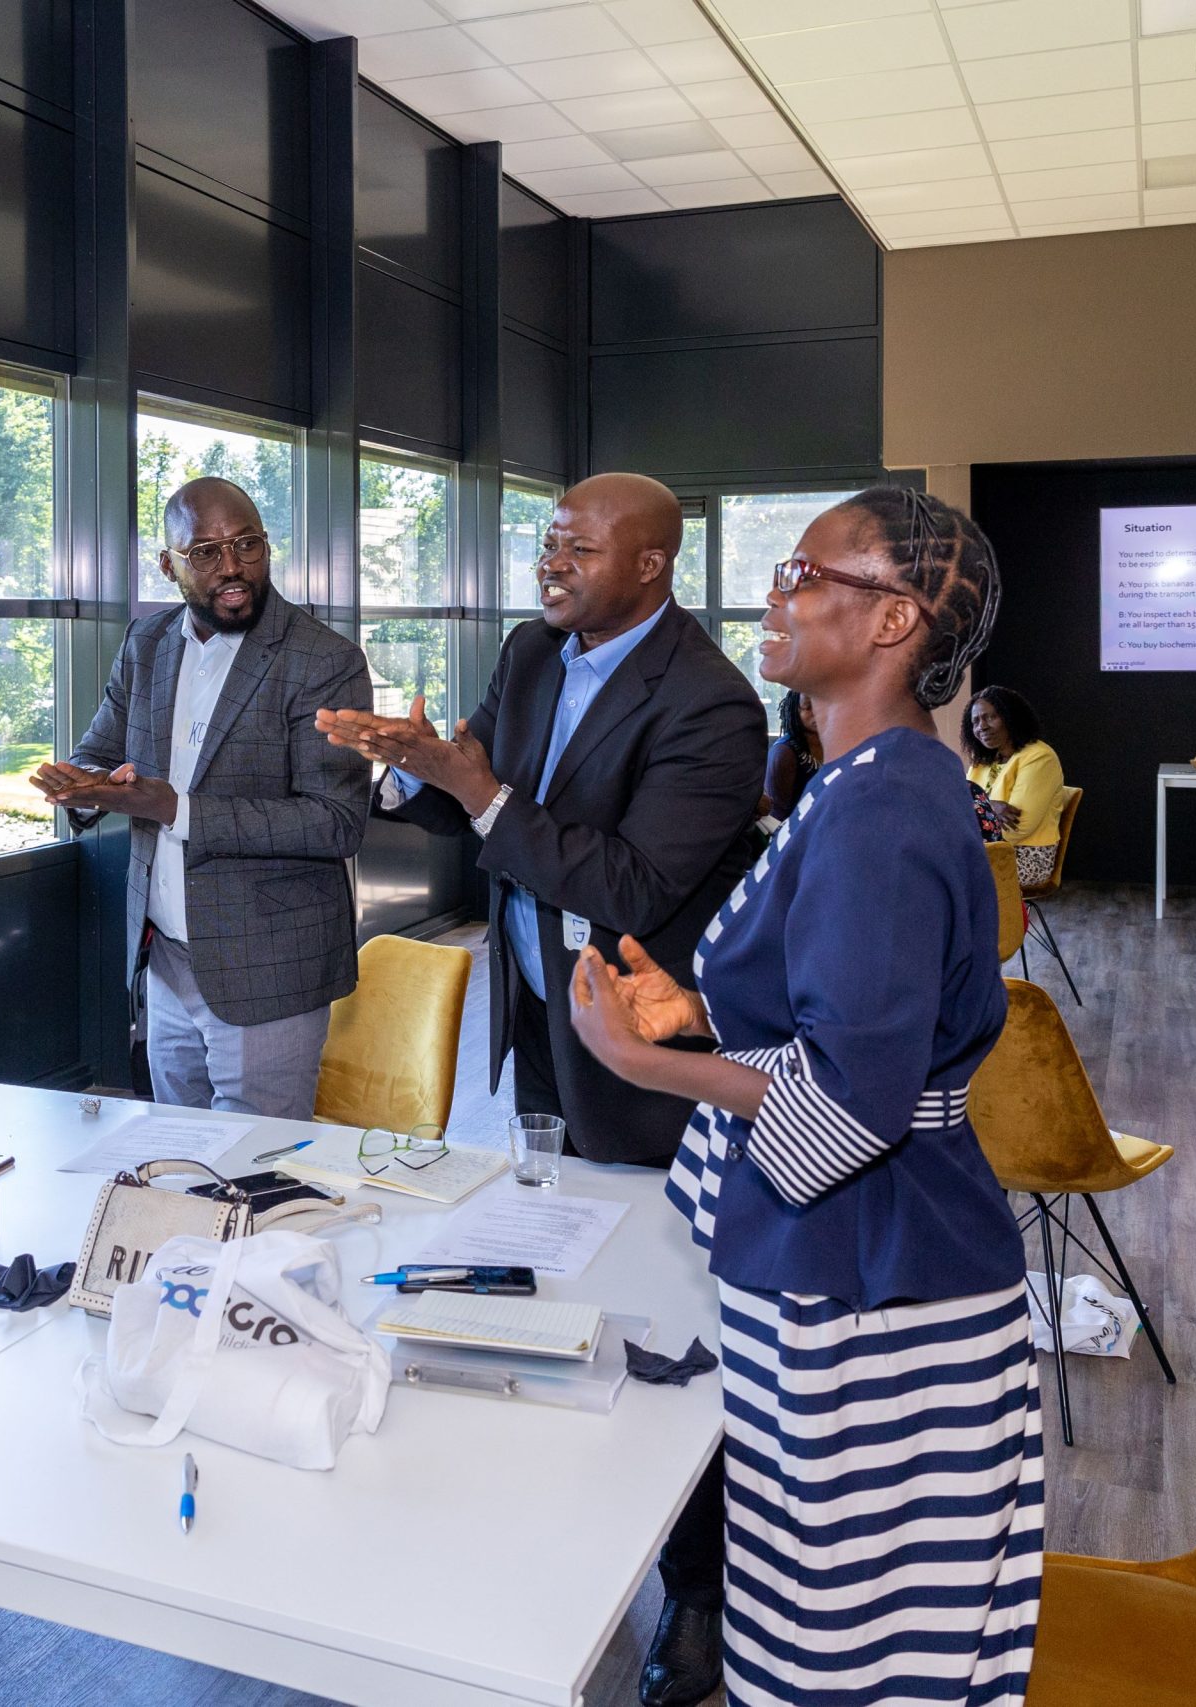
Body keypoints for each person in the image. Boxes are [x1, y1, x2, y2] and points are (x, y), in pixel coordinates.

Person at [567, 486, 1041, 1706]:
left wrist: (641, 1064)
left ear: (894, 626)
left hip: (874, 1286)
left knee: (843, 1657)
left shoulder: (879, 806)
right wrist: (707, 1016)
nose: (772, 597)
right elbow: (851, 1026)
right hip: (854, 1257)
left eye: (802, 575)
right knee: (815, 1622)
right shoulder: (863, 778)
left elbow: (850, 1106)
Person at [316, 472, 763, 1705]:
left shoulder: (714, 707)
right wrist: (412, 768)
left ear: (653, 567)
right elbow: (480, 795)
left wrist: (474, 789)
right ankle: (577, 1528)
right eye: (546, 539)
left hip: (647, 1049)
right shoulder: (527, 652)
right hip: (537, 1023)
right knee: (558, 1281)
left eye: (575, 544)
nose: (548, 558)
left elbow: (622, 885)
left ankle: (700, 1589)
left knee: (676, 1323)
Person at [31, 477, 373, 1120]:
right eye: (207, 552)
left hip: (268, 966)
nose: (233, 567)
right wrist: (81, 788)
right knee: (178, 1152)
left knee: (255, 1167)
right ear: (169, 564)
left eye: (248, 544)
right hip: (165, 957)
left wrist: (174, 808)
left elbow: (335, 822)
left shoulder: (324, 661)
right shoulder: (148, 644)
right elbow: (98, 752)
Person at [967, 684, 1065, 888]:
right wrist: (990, 806)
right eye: (975, 721)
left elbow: (1017, 829)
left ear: (1011, 717)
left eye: (990, 717)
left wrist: (974, 809)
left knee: (938, 878)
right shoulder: (984, 761)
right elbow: (960, 807)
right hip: (985, 851)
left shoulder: (1039, 757)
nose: (981, 726)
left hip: (1027, 857)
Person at [762, 688, 819, 820]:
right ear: (794, 710)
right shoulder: (784, 753)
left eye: (821, 704)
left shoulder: (835, 744)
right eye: (808, 706)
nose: (816, 712)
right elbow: (776, 814)